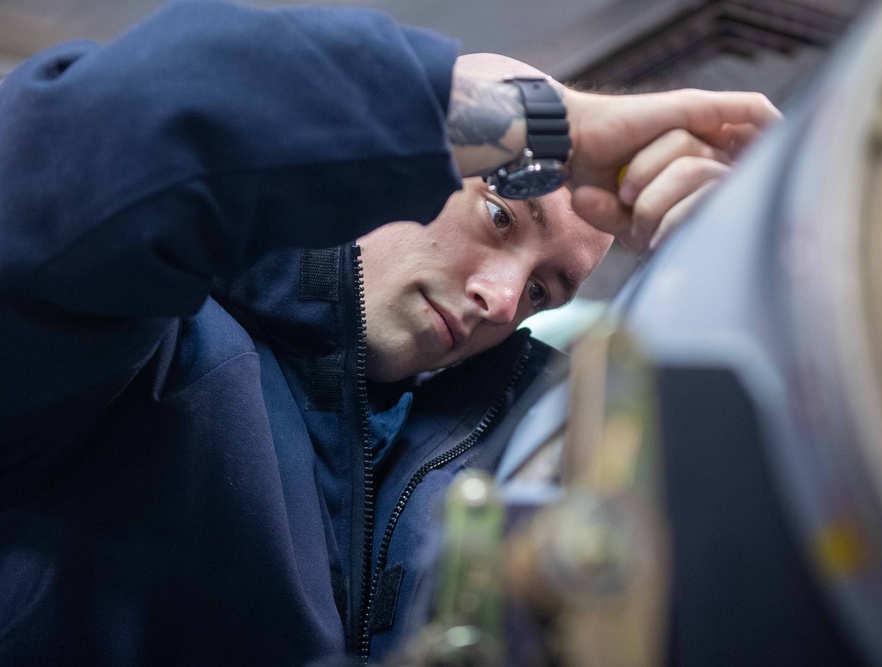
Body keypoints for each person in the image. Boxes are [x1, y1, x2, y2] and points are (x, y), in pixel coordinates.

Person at [0, 1, 779, 664]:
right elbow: (77, 154)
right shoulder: (137, 341)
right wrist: (540, 125)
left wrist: (735, 282)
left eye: (545, 289)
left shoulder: (522, 455)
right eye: (500, 216)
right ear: (408, 164)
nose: (504, 302)